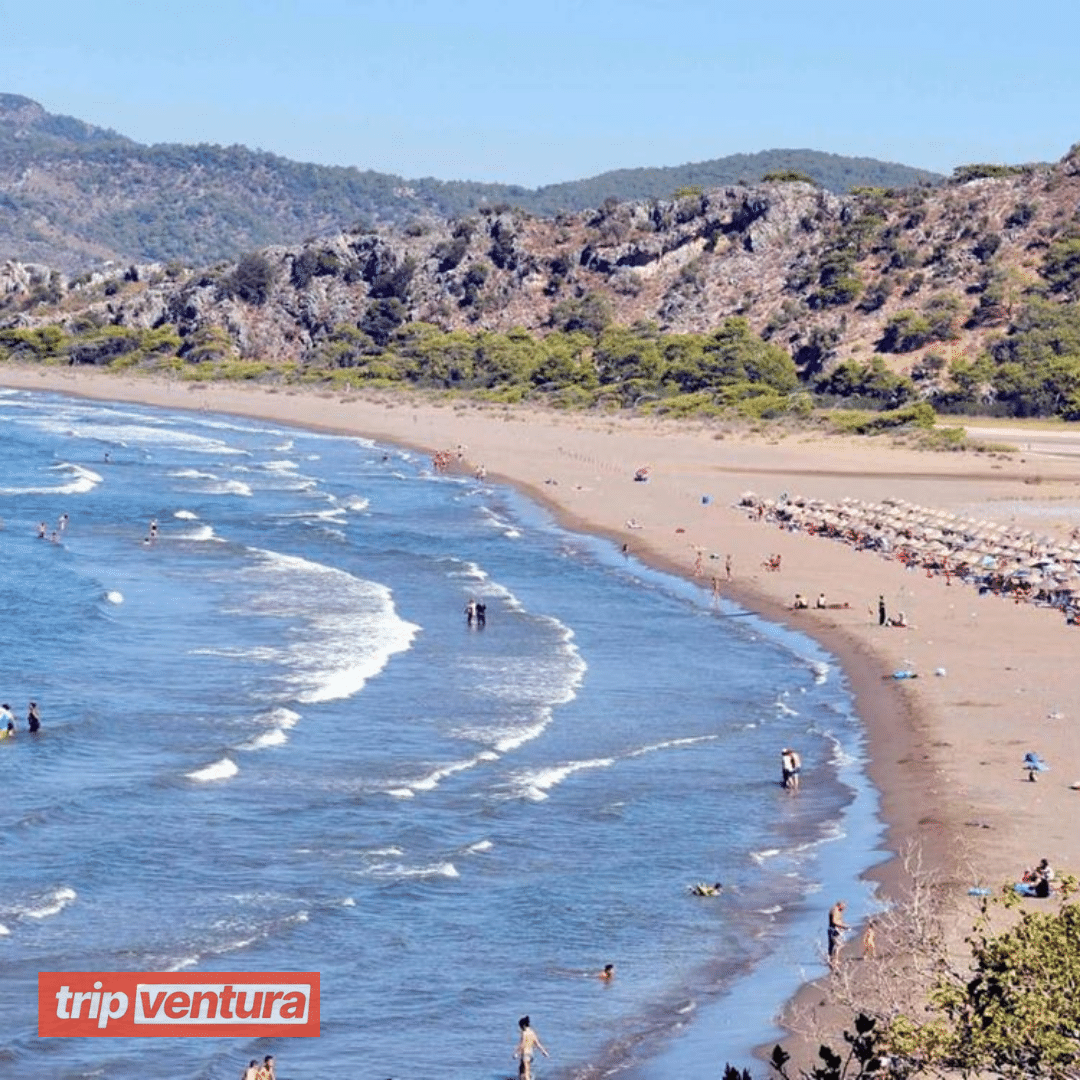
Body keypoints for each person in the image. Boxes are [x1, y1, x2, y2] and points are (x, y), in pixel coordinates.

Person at [514, 1015, 548, 1080]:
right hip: (531, 1054)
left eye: (520, 1026)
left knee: (526, 1072)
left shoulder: (524, 1033)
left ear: (523, 1025)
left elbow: (522, 1044)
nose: (520, 1028)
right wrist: (544, 1052)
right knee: (523, 1069)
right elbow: (537, 1044)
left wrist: (517, 1053)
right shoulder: (532, 1032)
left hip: (525, 1054)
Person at [828, 900, 850, 967]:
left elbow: (840, 920)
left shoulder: (838, 911)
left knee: (834, 946)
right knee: (837, 945)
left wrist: (844, 925)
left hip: (836, 930)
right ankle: (834, 961)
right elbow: (834, 921)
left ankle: (833, 960)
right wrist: (842, 926)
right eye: (843, 907)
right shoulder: (835, 910)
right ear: (840, 905)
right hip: (833, 930)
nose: (844, 909)